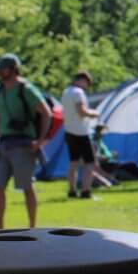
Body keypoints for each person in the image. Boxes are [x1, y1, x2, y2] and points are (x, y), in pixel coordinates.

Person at [0, 54, 52, 229]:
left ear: (13, 69)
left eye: (3, 68)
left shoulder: (26, 89)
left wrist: (40, 141)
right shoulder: (0, 90)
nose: (0, 72)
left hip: (24, 145)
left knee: (26, 186)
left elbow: (46, 113)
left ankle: (32, 226)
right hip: (3, 144)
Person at [61, 71, 100, 199]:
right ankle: (86, 191)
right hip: (81, 132)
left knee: (73, 162)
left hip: (69, 131)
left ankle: (72, 191)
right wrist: (94, 113)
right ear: (82, 80)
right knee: (90, 163)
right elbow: (82, 112)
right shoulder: (78, 93)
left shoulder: (66, 92)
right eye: (87, 83)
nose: (87, 86)